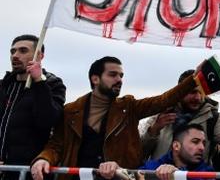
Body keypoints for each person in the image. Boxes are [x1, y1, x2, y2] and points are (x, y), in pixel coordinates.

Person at [31, 56, 198, 180]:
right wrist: (43, 159)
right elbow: (56, 145)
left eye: (121, 75)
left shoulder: (129, 106)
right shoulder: (71, 110)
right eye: (113, 75)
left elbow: (164, 100)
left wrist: (193, 79)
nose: (119, 80)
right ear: (95, 79)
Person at [141, 70, 220, 170]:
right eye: (193, 92)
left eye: (202, 92)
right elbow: (139, 152)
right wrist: (153, 131)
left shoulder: (213, 118)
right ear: (179, 92)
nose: (198, 97)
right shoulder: (161, 114)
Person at [0, 35, 66, 173]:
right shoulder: (4, 85)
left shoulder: (53, 84)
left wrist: (39, 82)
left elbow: (47, 120)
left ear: (39, 56)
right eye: (13, 51)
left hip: (29, 171)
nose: (15, 56)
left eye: (23, 51)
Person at [140, 124, 213, 179]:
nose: (202, 148)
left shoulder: (207, 172)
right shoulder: (155, 166)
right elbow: (137, 174)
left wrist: (178, 176)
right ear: (176, 146)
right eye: (195, 142)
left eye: (204, 143)